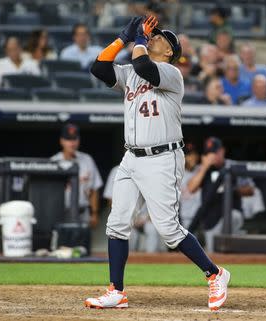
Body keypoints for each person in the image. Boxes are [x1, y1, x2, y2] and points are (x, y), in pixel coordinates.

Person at [87, 16, 230, 311]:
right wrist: (123, 38)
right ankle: (117, 291)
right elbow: (98, 68)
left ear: (169, 52)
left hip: (162, 158)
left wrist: (139, 39)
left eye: (162, 38)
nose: (155, 37)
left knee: (168, 230)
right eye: (154, 35)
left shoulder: (170, 72)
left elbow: (144, 67)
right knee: (116, 224)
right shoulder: (131, 71)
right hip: (131, 158)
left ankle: (215, 274)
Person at [187, 137, 254, 252]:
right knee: (214, 257)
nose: (212, 156)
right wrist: (204, 167)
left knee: (235, 216)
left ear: (222, 151)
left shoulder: (232, 166)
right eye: (209, 153)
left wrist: (231, 189)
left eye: (215, 152)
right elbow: (191, 188)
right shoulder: (203, 169)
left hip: (229, 215)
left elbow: (250, 189)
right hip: (210, 220)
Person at [50, 124, 103, 228]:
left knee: (83, 244)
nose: (72, 143)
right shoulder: (53, 162)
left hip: (83, 213)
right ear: (61, 141)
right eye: (68, 139)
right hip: (60, 213)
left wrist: (94, 213)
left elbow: (94, 189)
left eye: (74, 139)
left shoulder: (87, 160)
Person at [103, 163, 162, 253]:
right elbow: (110, 199)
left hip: (147, 217)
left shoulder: (153, 170)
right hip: (125, 216)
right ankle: (130, 261)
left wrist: (148, 217)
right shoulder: (117, 170)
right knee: (128, 233)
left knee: (152, 229)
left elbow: (159, 200)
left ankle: (152, 261)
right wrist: (126, 218)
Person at [180, 142, 201, 229]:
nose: (192, 158)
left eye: (194, 154)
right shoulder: (178, 174)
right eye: (189, 155)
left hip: (203, 217)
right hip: (187, 218)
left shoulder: (202, 169)